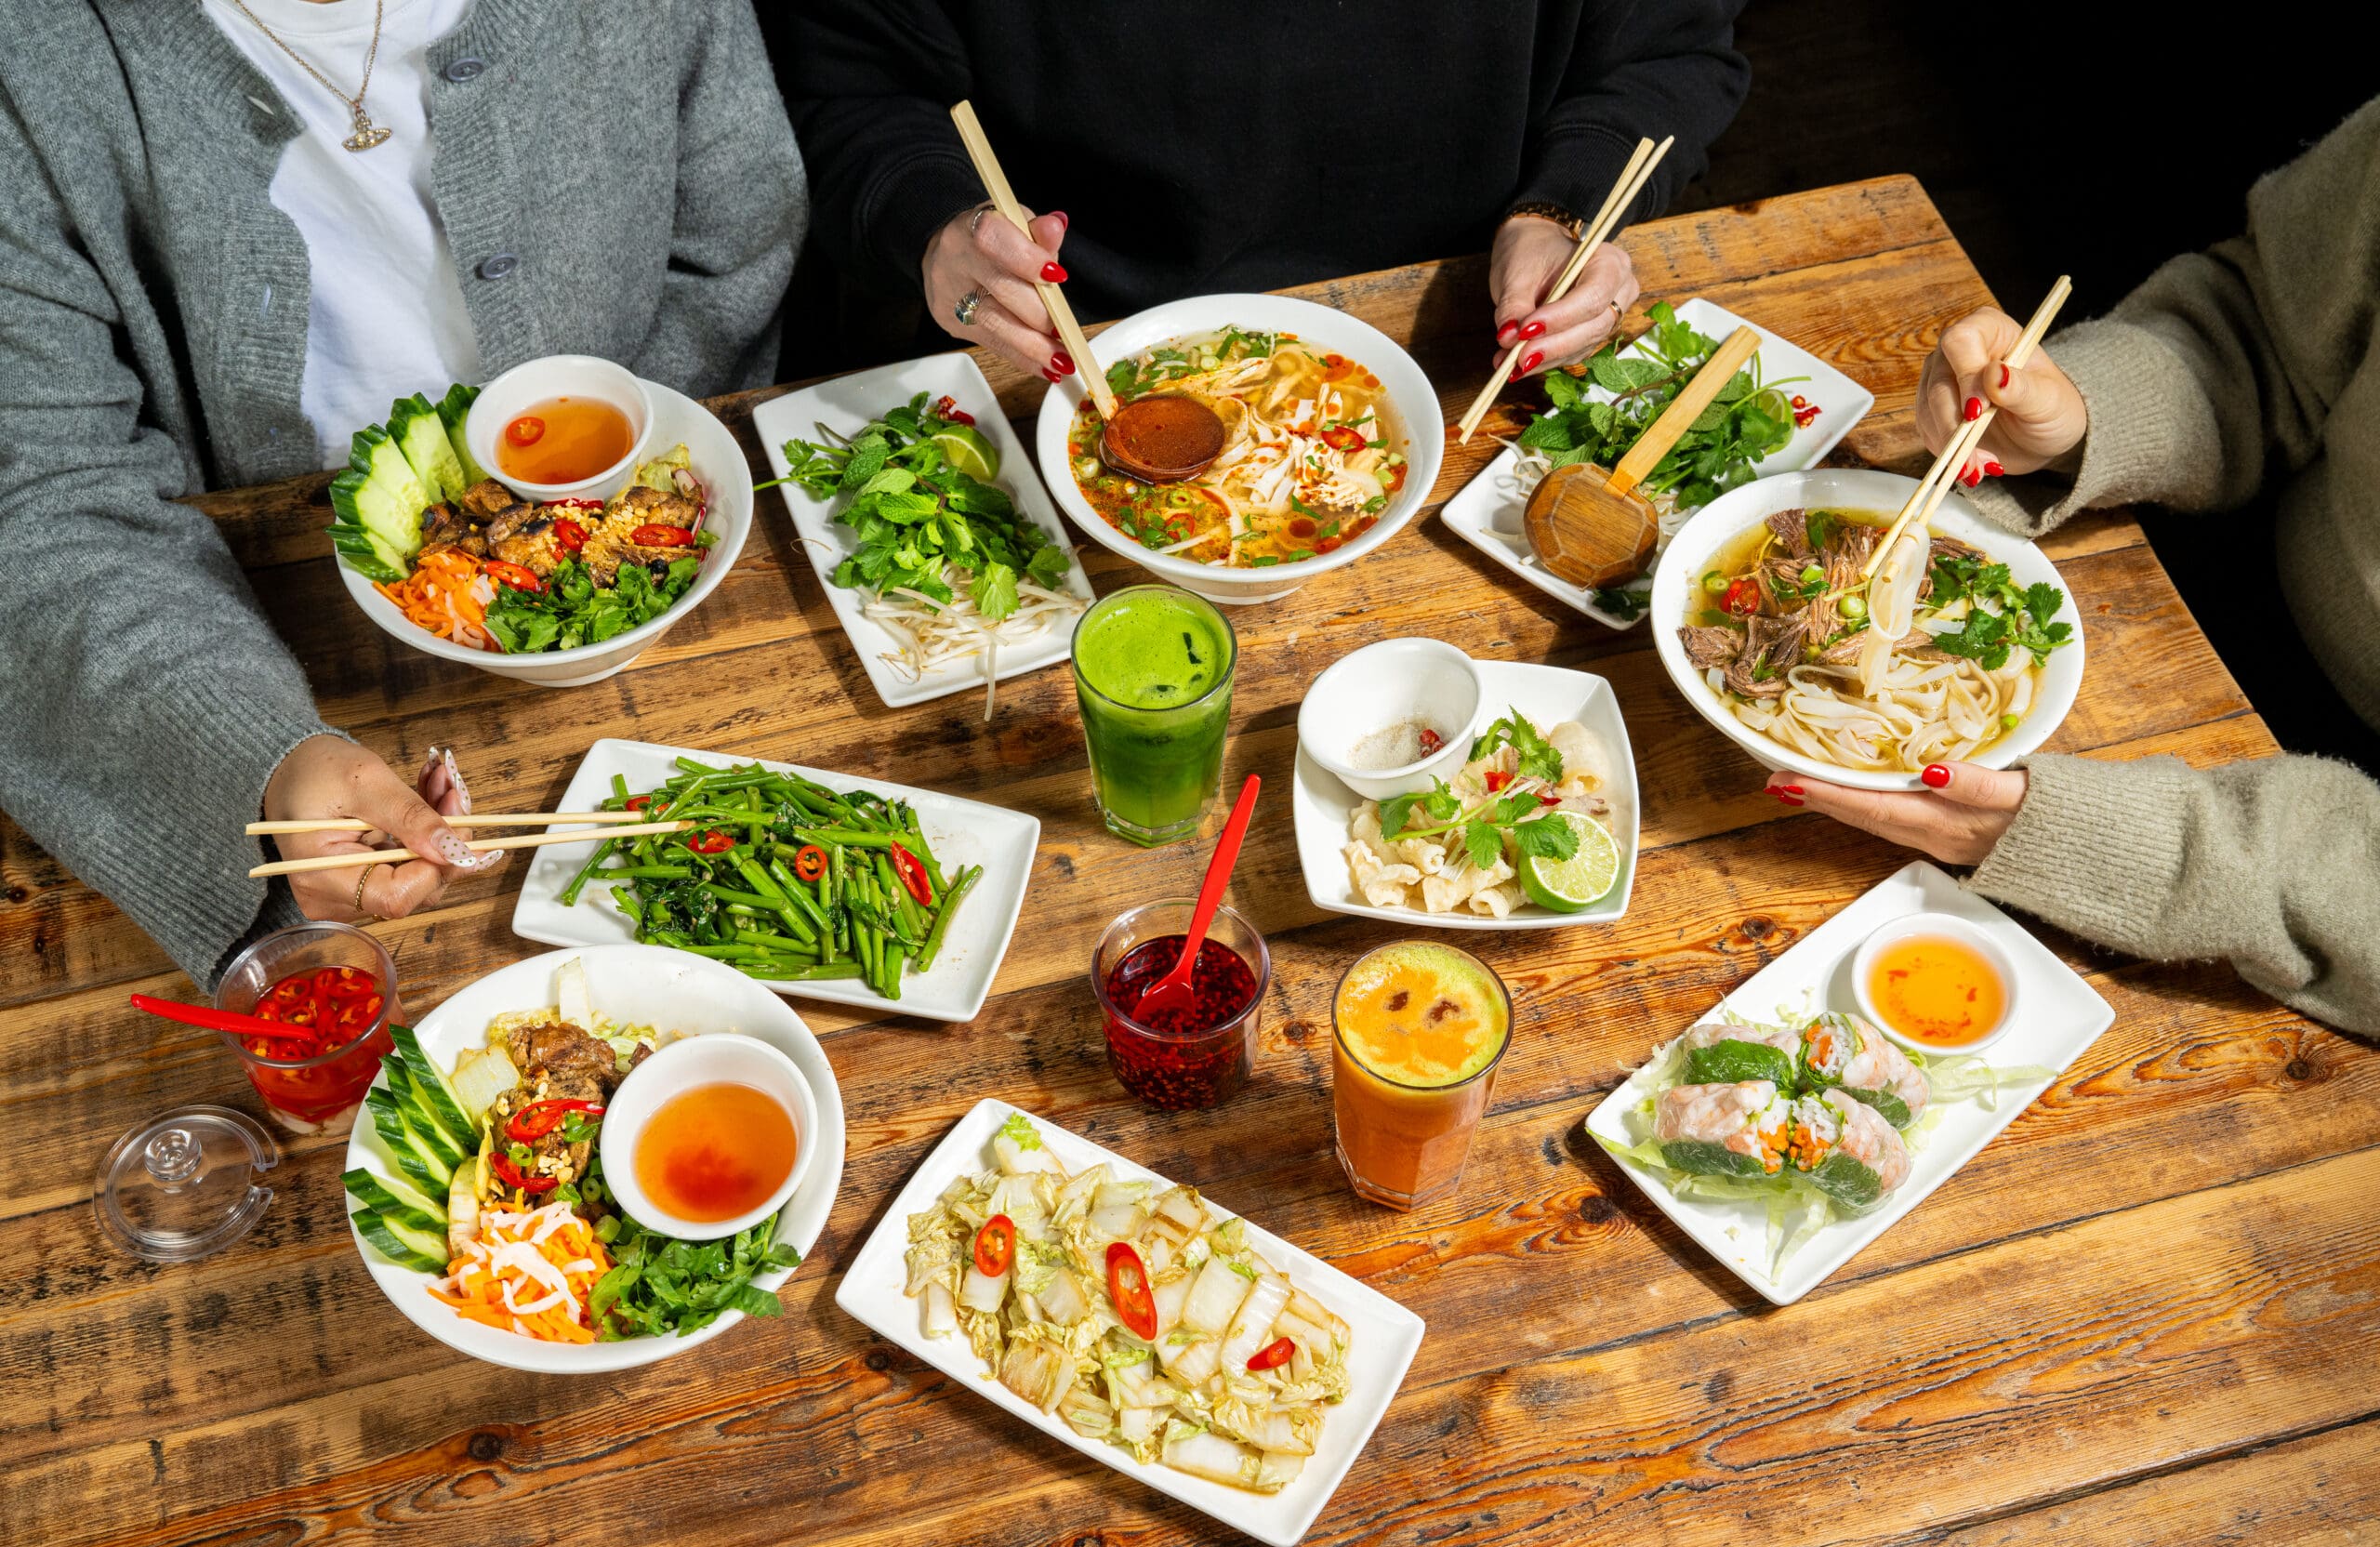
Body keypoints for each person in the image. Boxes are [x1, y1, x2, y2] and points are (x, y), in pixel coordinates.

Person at [0, 0, 802, 986]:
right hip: (261, 654)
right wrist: (256, 753)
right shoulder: (34, 53)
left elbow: (738, 235)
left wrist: (620, 504)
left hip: (699, 631)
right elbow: (41, 492)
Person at [1771, 99, 2380, 1038]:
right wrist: (2080, 417)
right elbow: (2270, 330)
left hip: (2298, 902)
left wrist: (2153, 854)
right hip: (2198, 589)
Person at [776, 2, 1747, 382]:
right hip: (1072, 352)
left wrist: (1563, 212)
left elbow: (1666, 53)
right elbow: (857, 89)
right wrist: (936, 227)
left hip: (1467, 335)